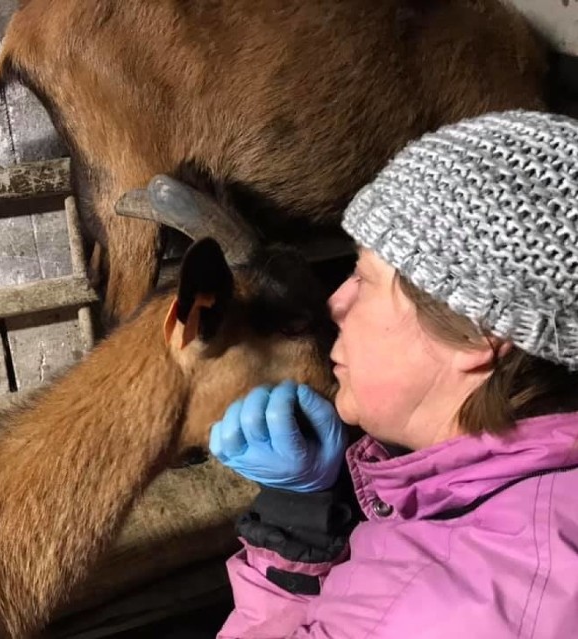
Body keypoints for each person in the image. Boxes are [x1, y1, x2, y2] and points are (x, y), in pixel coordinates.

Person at [209, 110, 578, 638]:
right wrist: (311, 511)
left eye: (365, 277)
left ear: (476, 337)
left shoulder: (429, 612)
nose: (337, 302)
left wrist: (290, 526)